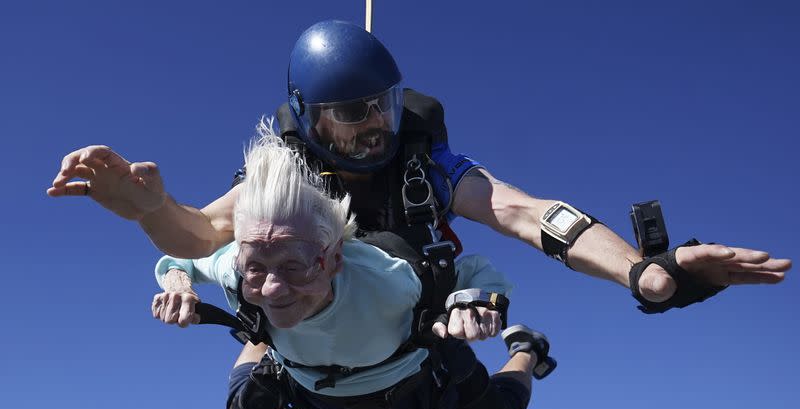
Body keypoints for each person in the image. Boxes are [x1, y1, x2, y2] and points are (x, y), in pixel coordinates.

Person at [47, 20, 791, 323]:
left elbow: (530, 215)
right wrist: (147, 208)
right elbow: (204, 232)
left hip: (420, 331)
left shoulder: (423, 163)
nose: (375, 125)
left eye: (384, 105)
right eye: (351, 113)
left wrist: (647, 274)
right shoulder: (288, 168)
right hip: (310, 322)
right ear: (309, 118)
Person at [152, 128, 550, 409]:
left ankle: (527, 350)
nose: (273, 286)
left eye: (294, 266)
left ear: (335, 259)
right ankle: (268, 338)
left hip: (406, 381)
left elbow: (477, 272)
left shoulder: (390, 280)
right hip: (310, 384)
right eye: (256, 266)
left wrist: (473, 302)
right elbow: (179, 259)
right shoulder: (237, 266)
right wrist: (179, 285)